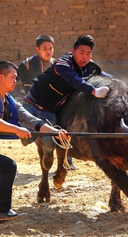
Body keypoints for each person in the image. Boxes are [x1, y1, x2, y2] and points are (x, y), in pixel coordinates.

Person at [0, 60, 69, 224]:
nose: (16, 81)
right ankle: (3, 211)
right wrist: (17, 130)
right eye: (13, 77)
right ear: (1, 77)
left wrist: (55, 132)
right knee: (9, 166)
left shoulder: (8, 100)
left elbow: (31, 120)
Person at [23, 34, 112, 170]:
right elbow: (74, 80)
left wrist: (124, 88)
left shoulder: (90, 67)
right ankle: (30, 137)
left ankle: (47, 153)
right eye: (81, 53)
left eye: (88, 54)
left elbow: (105, 76)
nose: (84, 57)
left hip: (50, 111)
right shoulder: (63, 63)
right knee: (27, 138)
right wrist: (93, 91)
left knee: (50, 143)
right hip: (31, 104)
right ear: (73, 51)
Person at [15, 35, 79, 167]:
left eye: (50, 48)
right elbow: (13, 76)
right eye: (45, 48)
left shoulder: (58, 65)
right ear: (37, 49)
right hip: (32, 105)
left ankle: (68, 159)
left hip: (51, 106)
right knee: (27, 138)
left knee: (63, 124)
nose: (48, 51)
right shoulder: (28, 64)